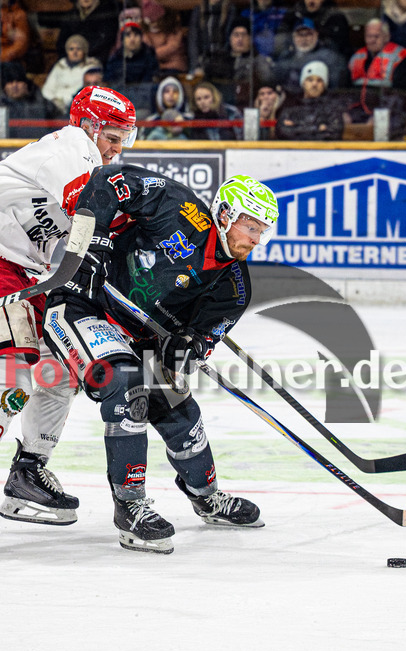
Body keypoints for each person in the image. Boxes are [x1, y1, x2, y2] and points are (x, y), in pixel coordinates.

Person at [0, 85, 139, 551]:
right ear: (88, 126)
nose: (118, 149)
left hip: (22, 269)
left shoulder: (92, 160)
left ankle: (28, 472)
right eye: (113, 137)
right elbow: (94, 218)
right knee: (12, 370)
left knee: (59, 369)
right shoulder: (69, 150)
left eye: (126, 139)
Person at [41, 172, 279, 553]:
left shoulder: (235, 287)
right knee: (128, 385)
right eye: (250, 226)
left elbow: (203, 336)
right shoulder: (178, 205)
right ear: (226, 214)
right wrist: (93, 242)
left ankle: (206, 496)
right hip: (82, 305)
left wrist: (190, 345)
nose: (255, 239)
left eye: (261, 231)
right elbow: (107, 181)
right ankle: (130, 506)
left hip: (140, 336)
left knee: (178, 408)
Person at [345, 19, 406, 126]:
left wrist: (379, 118)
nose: (372, 40)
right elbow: (345, 91)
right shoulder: (356, 58)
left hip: (390, 115)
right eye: (369, 36)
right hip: (358, 114)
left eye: (376, 36)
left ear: (386, 37)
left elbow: (400, 96)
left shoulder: (399, 57)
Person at [0, 61, 53, 138]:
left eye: (18, 81)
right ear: (4, 87)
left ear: (26, 84)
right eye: (10, 82)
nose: (14, 85)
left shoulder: (42, 104)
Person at [273, 17, 347, 95]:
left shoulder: (331, 58)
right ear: (293, 37)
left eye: (309, 34)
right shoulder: (285, 57)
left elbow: (336, 89)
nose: (304, 39)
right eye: (300, 35)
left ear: (316, 35)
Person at [276, 61, 343, 141]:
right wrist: (317, 128)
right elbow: (282, 131)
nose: (314, 84)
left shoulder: (332, 108)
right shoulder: (291, 105)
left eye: (319, 81)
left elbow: (333, 134)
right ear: (304, 83)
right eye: (310, 80)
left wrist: (297, 127)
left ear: (324, 85)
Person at [42, 34, 101, 115]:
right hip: (52, 106)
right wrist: (53, 100)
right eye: (71, 49)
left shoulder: (91, 67)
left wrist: (65, 102)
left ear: (84, 51)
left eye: (78, 49)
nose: (75, 52)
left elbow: (82, 89)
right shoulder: (60, 64)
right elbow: (48, 88)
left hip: (73, 106)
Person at [277, 0, 351, 59]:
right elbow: (282, 36)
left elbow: (339, 49)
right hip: (296, 58)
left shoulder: (336, 17)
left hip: (325, 59)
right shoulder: (294, 13)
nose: (312, 1)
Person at [57, 0, 120, 67]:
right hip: (71, 63)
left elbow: (104, 42)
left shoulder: (107, 15)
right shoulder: (70, 17)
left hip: (97, 64)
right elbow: (61, 45)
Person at [187, 0, 237, 79]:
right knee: (194, 77)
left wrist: (219, 63)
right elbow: (193, 40)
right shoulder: (198, 10)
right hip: (202, 59)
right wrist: (196, 66)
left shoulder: (230, 9)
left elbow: (229, 39)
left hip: (222, 60)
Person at [143, 4, 187, 76]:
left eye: (156, 20)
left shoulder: (173, 27)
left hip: (175, 67)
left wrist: (153, 55)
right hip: (154, 67)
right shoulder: (145, 32)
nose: (154, 24)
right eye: (150, 21)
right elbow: (145, 50)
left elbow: (172, 46)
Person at [141, 75, 191, 139]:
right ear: (160, 95)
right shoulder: (151, 121)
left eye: (175, 91)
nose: (171, 94)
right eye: (167, 91)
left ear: (180, 95)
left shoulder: (189, 120)